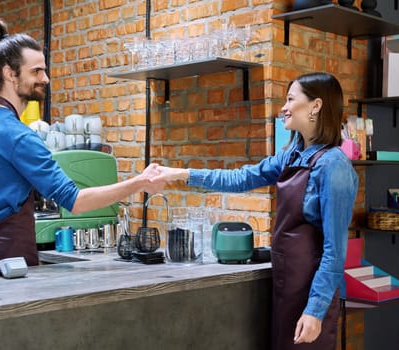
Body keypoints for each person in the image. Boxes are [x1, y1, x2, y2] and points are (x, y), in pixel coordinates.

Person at [149, 72, 358, 349]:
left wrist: (315, 311)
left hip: (310, 294)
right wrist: (180, 173)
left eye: (290, 99)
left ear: (315, 106)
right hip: (287, 287)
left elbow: (334, 252)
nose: (283, 107)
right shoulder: (291, 155)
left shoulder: (334, 166)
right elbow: (241, 178)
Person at [0, 19, 163, 266]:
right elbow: (74, 200)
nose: (46, 79)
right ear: (10, 73)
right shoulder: (19, 135)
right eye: (36, 71)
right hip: (11, 258)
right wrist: (138, 183)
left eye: (44, 70)